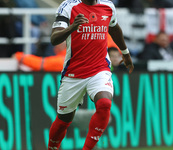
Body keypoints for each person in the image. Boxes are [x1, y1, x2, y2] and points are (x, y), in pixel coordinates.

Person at [48, 0, 134, 150]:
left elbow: (114, 29)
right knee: (63, 120)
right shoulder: (68, 6)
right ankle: (52, 147)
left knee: (105, 104)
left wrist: (125, 53)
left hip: (99, 69)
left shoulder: (108, 6)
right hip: (74, 73)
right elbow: (54, 39)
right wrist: (73, 27)